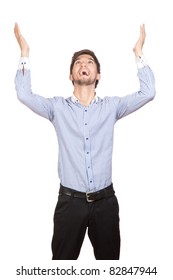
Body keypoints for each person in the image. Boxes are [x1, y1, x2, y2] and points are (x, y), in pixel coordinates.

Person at [14, 22, 156, 260]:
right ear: (71, 75)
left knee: (110, 266)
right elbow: (24, 95)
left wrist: (138, 52)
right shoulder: (57, 108)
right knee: (62, 265)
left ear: (98, 75)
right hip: (70, 203)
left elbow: (148, 93)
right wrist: (24, 52)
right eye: (78, 62)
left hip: (106, 203)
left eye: (89, 62)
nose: (84, 64)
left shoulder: (112, 107)